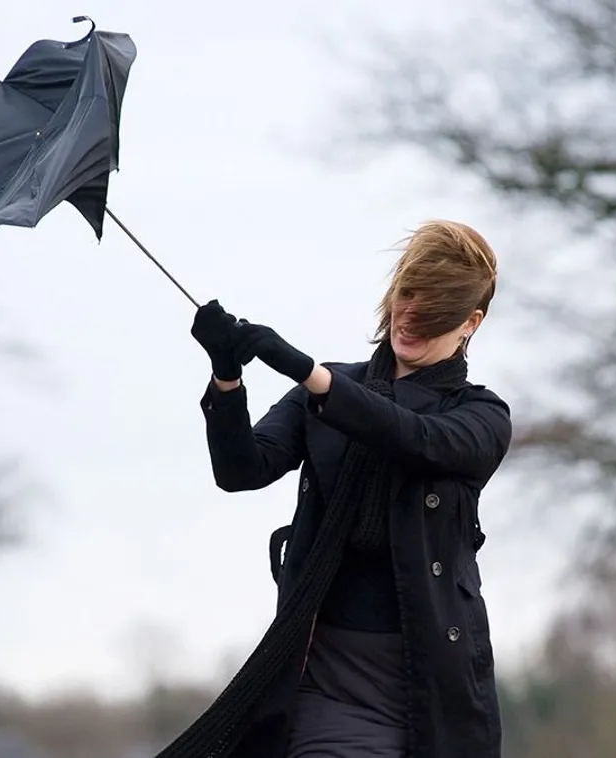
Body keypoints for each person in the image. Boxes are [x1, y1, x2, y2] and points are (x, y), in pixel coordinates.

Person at [160, 220, 510, 758]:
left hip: (431, 686)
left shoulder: (481, 416)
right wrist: (226, 379)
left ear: (470, 323)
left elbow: (413, 437)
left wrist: (309, 373)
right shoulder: (324, 395)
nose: (411, 318)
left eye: (434, 313)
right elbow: (241, 470)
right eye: (407, 297)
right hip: (326, 673)